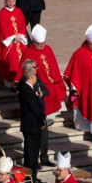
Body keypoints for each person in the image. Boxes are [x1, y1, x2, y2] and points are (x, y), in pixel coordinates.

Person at [19, 25, 62, 167]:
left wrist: (44, 91)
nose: (42, 46)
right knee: (35, 136)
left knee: (44, 132)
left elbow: (53, 67)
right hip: (32, 111)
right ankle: (33, 160)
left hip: (44, 96)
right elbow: (22, 79)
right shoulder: (28, 53)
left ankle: (43, 156)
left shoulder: (48, 49)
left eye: (44, 43)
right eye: (39, 44)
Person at [17, 59, 49, 183]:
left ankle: (30, 176)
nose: (37, 76)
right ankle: (31, 177)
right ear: (31, 76)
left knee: (31, 152)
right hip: (32, 125)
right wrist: (42, 120)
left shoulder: (28, 89)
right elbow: (35, 108)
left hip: (31, 125)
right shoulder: (26, 89)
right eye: (35, 75)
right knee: (32, 153)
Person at [0, 0, 26, 86]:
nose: (11, 3)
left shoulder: (19, 11)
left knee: (23, 59)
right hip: (8, 43)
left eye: (13, 1)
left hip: (19, 40)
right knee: (11, 61)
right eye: (9, 1)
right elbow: (2, 29)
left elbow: (22, 25)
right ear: (5, 0)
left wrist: (20, 36)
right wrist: (12, 38)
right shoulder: (1, 13)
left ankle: (22, 81)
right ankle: (10, 84)